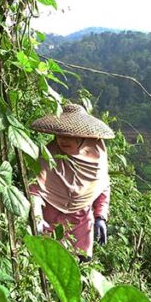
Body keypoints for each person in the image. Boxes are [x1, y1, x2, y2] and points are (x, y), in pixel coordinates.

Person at [29, 103, 115, 259]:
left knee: (78, 273)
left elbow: (102, 187)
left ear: (83, 137)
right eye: (60, 134)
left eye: (70, 136)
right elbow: (34, 188)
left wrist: (100, 217)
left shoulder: (96, 156)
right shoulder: (48, 155)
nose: (63, 140)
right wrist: (37, 217)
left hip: (81, 228)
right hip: (50, 226)